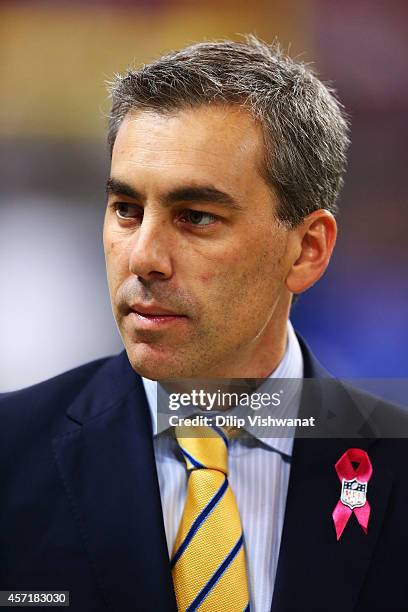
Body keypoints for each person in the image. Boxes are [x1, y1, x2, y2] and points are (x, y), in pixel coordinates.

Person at [1, 36, 407, 612]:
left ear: (307, 249)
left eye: (195, 217)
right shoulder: (10, 455)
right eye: (126, 210)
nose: (143, 257)